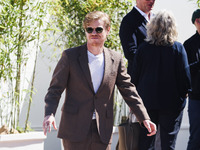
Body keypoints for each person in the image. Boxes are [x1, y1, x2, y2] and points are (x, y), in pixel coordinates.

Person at [43, 11, 156, 150]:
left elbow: (129, 90)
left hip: (102, 129)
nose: (93, 32)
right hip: (74, 128)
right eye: (89, 29)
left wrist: (144, 117)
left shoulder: (116, 58)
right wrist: (49, 114)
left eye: (98, 29)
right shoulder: (70, 56)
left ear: (108, 30)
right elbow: (55, 89)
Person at [131, 10, 191, 150]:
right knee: (168, 143)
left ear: (151, 27)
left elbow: (135, 77)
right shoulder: (178, 48)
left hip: (147, 103)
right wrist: (184, 94)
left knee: (146, 143)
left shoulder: (142, 49)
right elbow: (185, 78)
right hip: (172, 103)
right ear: (173, 27)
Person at [119, 0, 156, 79]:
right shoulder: (128, 21)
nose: (151, 1)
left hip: (158, 77)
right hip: (141, 80)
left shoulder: (157, 19)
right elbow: (131, 53)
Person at [183, 9, 200, 150]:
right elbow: (186, 70)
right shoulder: (188, 45)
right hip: (196, 99)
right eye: (199, 20)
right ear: (196, 22)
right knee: (196, 137)